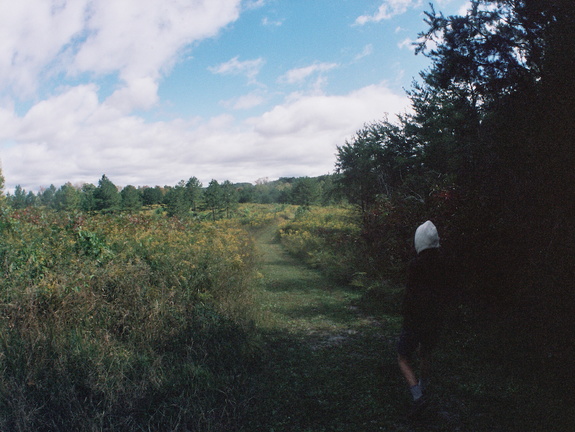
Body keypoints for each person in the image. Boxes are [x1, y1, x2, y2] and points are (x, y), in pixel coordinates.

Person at [397, 220, 450, 416]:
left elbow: (410, 295)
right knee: (425, 354)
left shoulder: (415, 265)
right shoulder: (444, 264)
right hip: (435, 319)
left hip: (415, 319)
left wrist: (405, 315)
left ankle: (418, 396)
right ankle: (424, 387)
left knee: (403, 357)